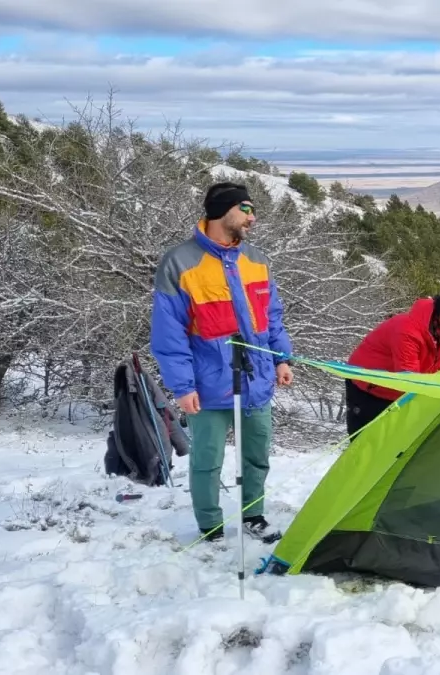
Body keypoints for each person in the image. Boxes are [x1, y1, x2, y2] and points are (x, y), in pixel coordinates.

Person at [150, 181, 294, 544]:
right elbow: (170, 333)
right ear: (221, 210)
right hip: (208, 383)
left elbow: (272, 316)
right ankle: (210, 525)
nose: (253, 217)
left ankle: (254, 514)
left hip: (257, 380)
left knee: (257, 455)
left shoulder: (257, 260)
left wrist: (281, 358)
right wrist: (182, 386)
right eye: (246, 209)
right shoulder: (180, 262)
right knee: (207, 461)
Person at [344, 287, 440, 436]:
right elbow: (409, 379)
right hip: (369, 387)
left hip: (400, 391)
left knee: (395, 441)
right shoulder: (407, 331)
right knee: (366, 442)